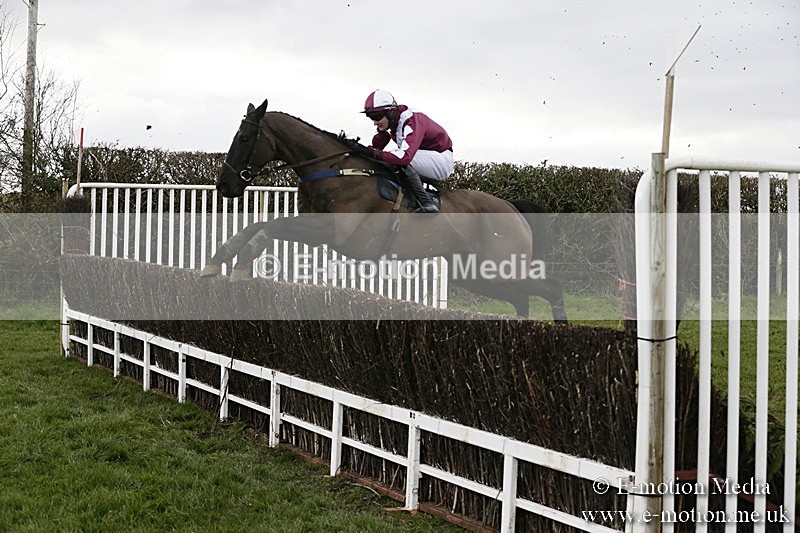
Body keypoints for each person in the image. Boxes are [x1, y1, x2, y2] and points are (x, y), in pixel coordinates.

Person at [348, 89, 453, 213]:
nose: (375, 122)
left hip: (441, 160)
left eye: (377, 117)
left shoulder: (412, 120)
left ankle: (427, 203)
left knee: (396, 157)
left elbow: (404, 157)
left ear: (391, 113)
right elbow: (376, 149)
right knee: (387, 158)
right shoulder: (391, 123)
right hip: (422, 157)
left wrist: (370, 152)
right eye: (371, 117)